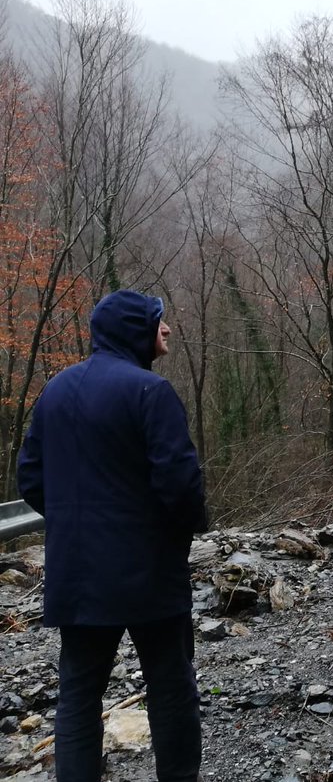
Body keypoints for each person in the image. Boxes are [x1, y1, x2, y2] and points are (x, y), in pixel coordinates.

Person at [17, 290, 207, 782]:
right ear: (134, 329)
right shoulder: (151, 392)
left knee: (79, 696)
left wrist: (73, 523)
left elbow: (30, 478)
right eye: (158, 321)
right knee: (171, 688)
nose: (166, 328)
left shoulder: (55, 391)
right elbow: (180, 484)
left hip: (77, 574)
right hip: (149, 573)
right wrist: (181, 531)